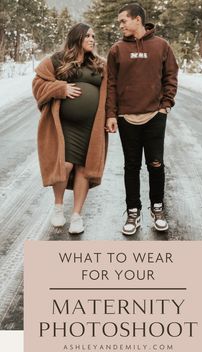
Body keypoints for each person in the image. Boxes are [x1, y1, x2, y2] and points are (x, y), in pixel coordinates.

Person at [106, 3, 178, 235]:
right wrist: (111, 114)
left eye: (123, 21)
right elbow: (111, 84)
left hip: (154, 115)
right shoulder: (117, 49)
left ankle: (157, 209)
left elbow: (171, 76)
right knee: (131, 166)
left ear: (137, 20)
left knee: (155, 164)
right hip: (127, 117)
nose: (121, 25)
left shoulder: (161, 46)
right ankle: (133, 212)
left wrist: (165, 106)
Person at [32, 23, 107, 234]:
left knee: (84, 167)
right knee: (63, 164)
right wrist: (60, 88)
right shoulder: (56, 60)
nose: (93, 39)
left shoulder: (100, 64)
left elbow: (110, 92)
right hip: (63, 124)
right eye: (88, 36)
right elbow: (37, 84)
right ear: (77, 38)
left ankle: (76, 215)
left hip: (90, 126)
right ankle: (58, 206)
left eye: (94, 36)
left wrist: (110, 117)